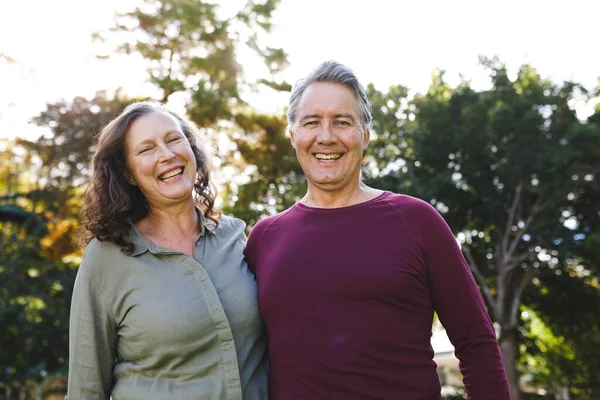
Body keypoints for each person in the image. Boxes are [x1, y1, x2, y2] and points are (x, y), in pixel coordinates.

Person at [245, 61, 510, 399]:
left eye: (342, 122)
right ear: (294, 134)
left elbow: (477, 344)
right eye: (312, 122)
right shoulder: (264, 238)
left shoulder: (417, 221)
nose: (326, 137)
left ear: (364, 136)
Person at [67, 102, 268, 400]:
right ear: (129, 174)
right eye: (146, 149)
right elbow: (86, 388)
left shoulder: (234, 236)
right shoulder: (106, 258)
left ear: (192, 151)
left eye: (174, 139)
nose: (167, 154)